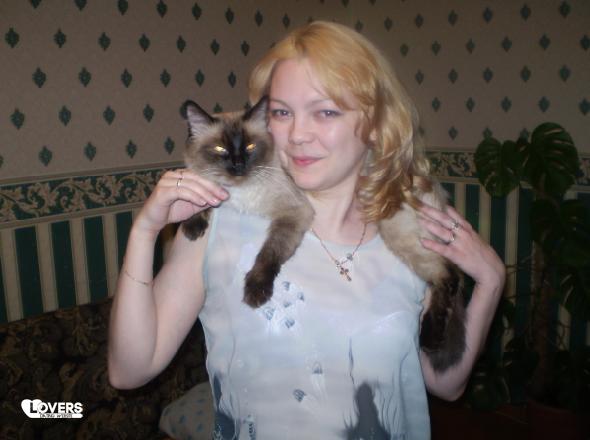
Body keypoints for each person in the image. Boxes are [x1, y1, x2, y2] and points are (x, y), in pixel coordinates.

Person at [108, 21, 505, 439]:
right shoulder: (216, 222)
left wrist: (492, 281)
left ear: (374, 123)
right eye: (282, 112)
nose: (297, 135)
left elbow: (446, 384)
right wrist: (144, 232)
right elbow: (128, 371)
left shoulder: (410, 229)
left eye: (326, 111)